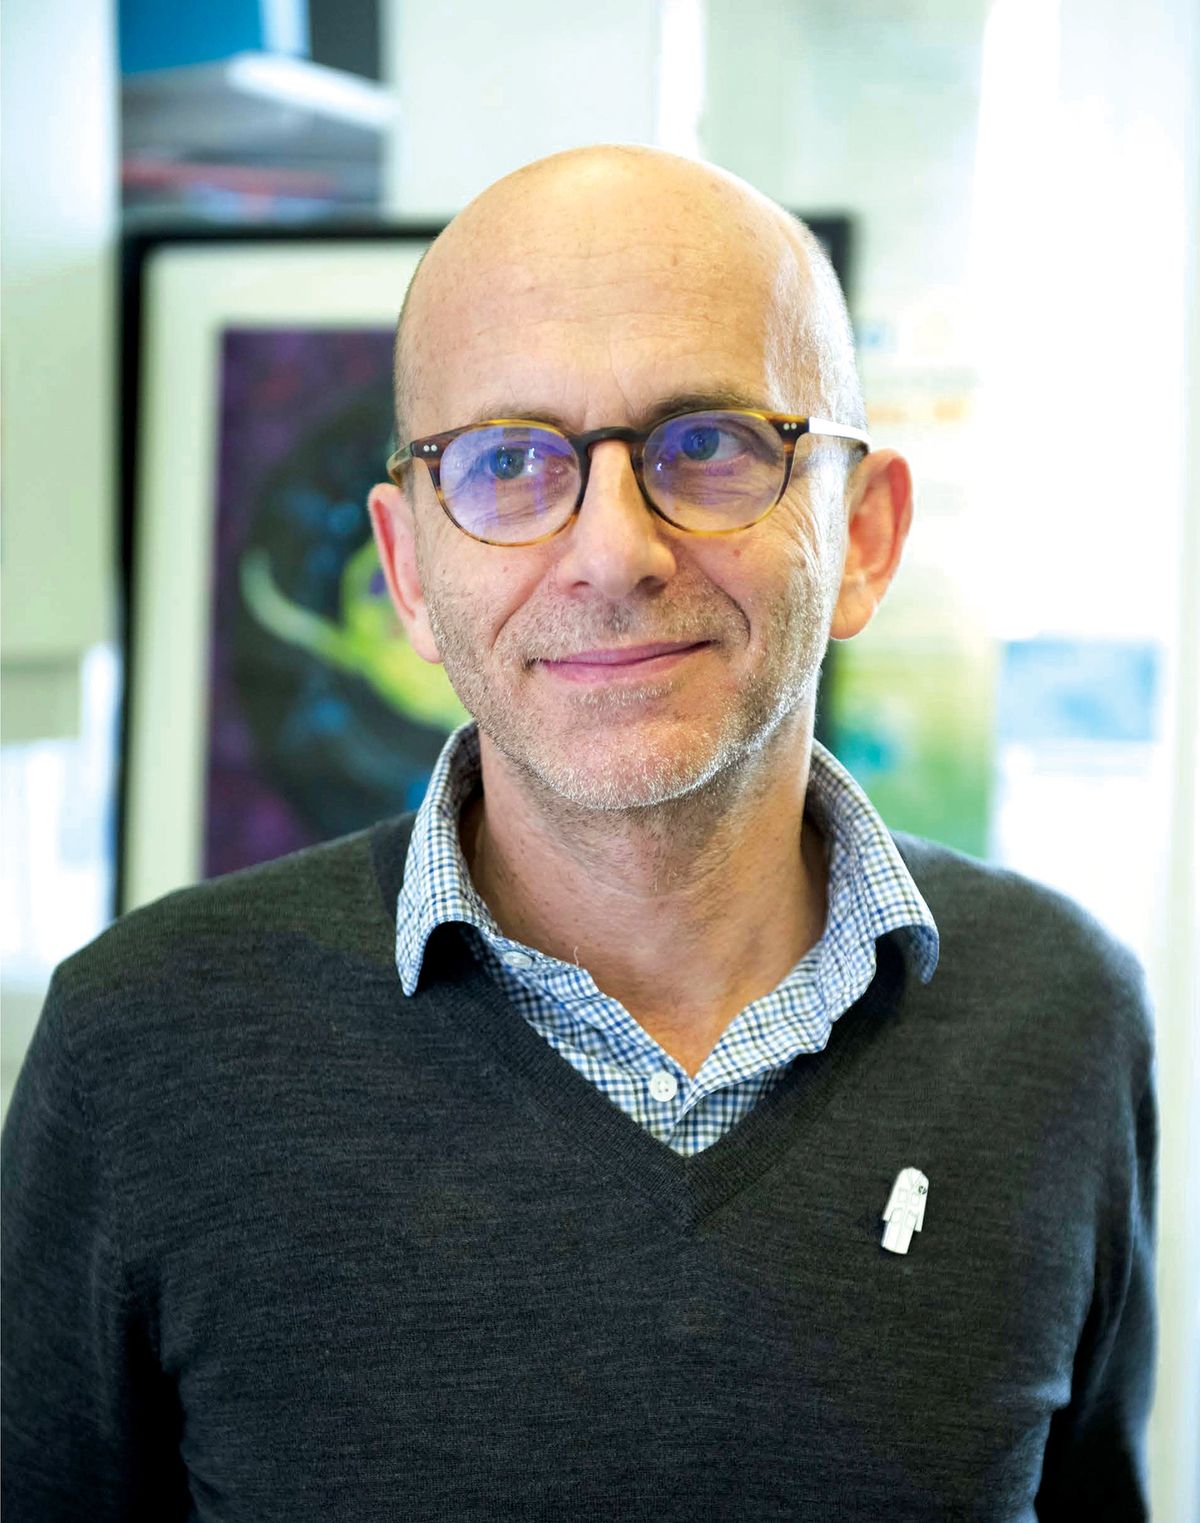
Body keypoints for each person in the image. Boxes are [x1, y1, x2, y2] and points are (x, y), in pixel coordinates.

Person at [1, 146, 1157, 1521]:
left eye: (713, 444)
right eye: (506, 462)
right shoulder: (143, 1050)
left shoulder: (1061, 1016)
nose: (614, 553)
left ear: (863, 536)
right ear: (410, 569)